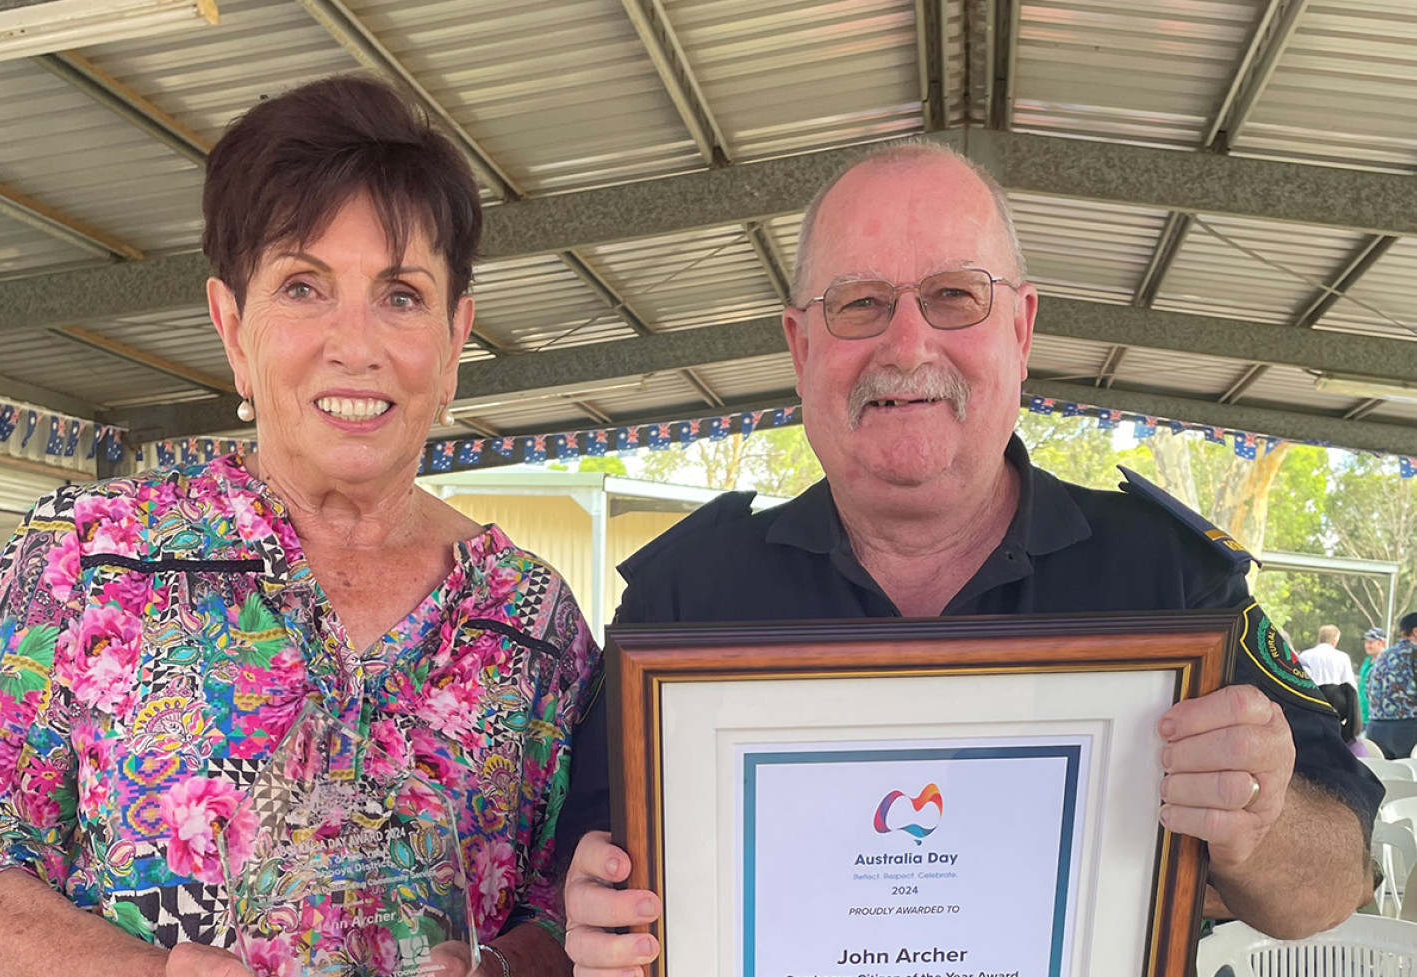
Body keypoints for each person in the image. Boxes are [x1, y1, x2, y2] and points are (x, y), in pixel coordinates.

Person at [556, 140, 1382, 971]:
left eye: (954, 295)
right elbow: (576, 869)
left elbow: (1337, 880)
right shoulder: (682, 597)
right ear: (801, 346)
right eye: (860, 302)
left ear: (1021, 330)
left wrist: (1261, 821)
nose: (907, 345)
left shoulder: (1171, 579)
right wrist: (590, 917)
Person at [0, 77, 596, 977]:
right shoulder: (87, 558)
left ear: (454, 343)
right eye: (303, 286)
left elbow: (573, 908)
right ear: (232, 328)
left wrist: (504, 966)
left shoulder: (531, 623)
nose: (355, 342)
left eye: (400, 295)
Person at [1366, 613, 1417, 759]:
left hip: (1375, 729)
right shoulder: (1414, 654)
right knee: (1408, 779)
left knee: (1385, 777)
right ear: (1415, 631)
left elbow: (1368, 689)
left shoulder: (1384, 656)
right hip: (1408, 729)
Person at [1359, 626, 1387, 722]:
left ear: (1382, 643)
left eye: (1371, 642)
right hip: (1362, 715)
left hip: (1377, 717)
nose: (1367, 645)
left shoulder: (1387, 662)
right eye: (1366, 642)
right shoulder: (1367, 661)